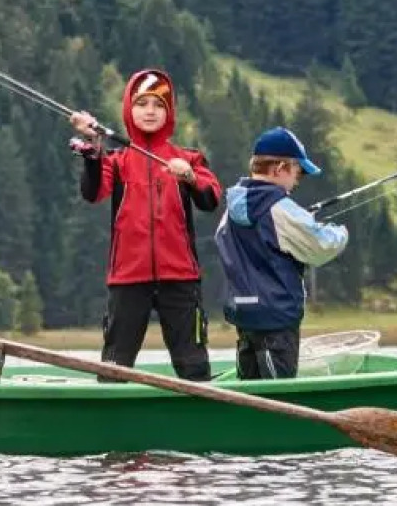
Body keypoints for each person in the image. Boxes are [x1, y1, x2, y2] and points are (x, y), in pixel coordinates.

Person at [69, 68, 221, 381]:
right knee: (114, 369)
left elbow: (210, 199)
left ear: (169, 113)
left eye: (158, 105)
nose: (150, 111)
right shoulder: (116, 161)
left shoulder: (188, 158)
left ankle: (201, 422)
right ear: (129, 109)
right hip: (127, 278)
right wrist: (93, 149)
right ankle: (111, 426)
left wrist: (190, 178)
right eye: (142, 104)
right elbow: (93, 193)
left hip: (180, 278)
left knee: (193, 366)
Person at [213, 127, 349, 380]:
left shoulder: (230, 209)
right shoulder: (280, 208)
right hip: (277, 322)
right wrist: (340, 232)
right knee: (278, 399)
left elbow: (223, 241)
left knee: (251, 395)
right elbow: (321, 246)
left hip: (244, 318)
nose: (297, 181)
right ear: (279, 169)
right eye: (297, 172)